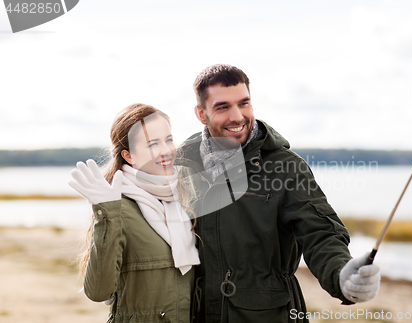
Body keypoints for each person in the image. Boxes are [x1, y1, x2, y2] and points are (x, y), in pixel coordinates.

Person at [176, 64, 381, 323]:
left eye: (244, 103)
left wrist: (342, 274)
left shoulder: (287, 167)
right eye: (222, 107)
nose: (237, 116)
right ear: (201, 113)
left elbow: (321, 233)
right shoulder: (181, 164)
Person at [69, 104, 199, 323]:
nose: (166, 150)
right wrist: (106, 212)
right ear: (129, 156)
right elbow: (98, 291)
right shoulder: (116, 207)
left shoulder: (184, 200)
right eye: (152, 144)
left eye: (168, 139)